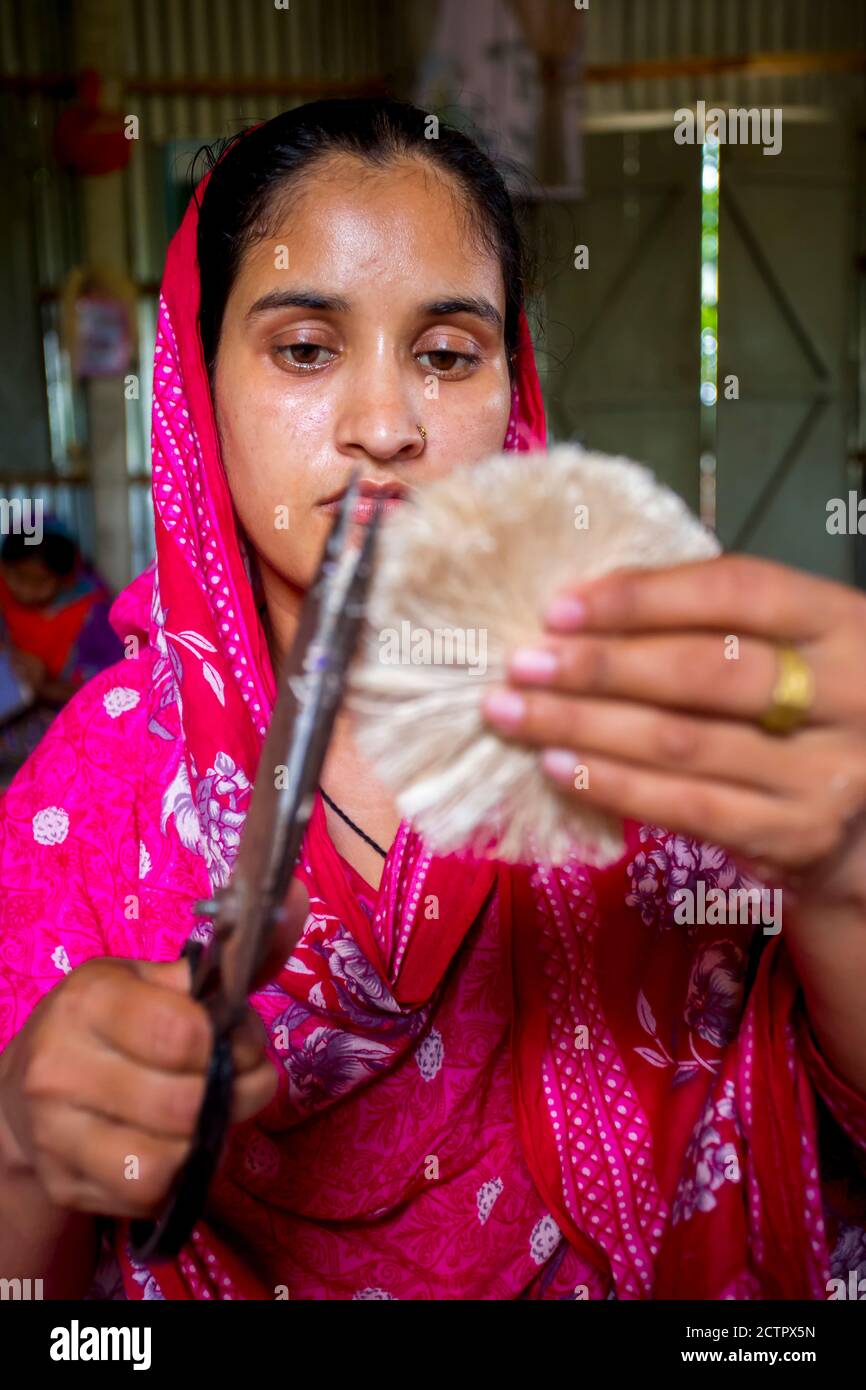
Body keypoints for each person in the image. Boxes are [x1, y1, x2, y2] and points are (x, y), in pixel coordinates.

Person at [0, 97, 864, 1302]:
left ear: (508, 394)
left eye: (445, 355)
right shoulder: (93, 798)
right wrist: (24, 1157)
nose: (383, 427)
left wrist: (844, 873)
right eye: (305, 348)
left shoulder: (641, 729)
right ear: (199, 387)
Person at [0, 522, 123, 777]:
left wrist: (43, 686)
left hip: (69, 724)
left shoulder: (96, 617)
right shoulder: (4, 603)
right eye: (18, 577)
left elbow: (114, 690)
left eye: (41, 582)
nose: (26, 591)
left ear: (66, 579)